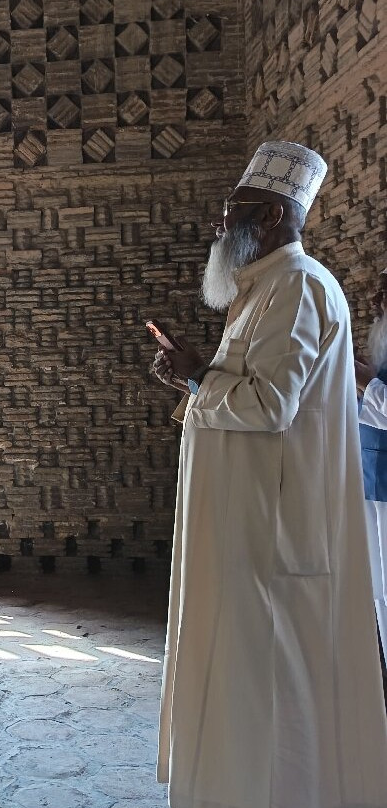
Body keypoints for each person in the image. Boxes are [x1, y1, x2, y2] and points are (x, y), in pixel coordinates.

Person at [151, 141, 387, 808]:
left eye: (233, 211)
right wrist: (192, 379)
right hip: (244, 532)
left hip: (274, 539)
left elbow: (266, 405)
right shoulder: (262, 291)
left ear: (278, 217)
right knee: (244, 692)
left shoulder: (300, 287)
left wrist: (199, 375)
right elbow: (241, 393)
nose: (218, 226)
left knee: (276, 700)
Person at [355, 269, 387, 649]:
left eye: (385, 293)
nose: (376, 301)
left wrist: (367, 384)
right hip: (370, 477)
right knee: (377, 588)